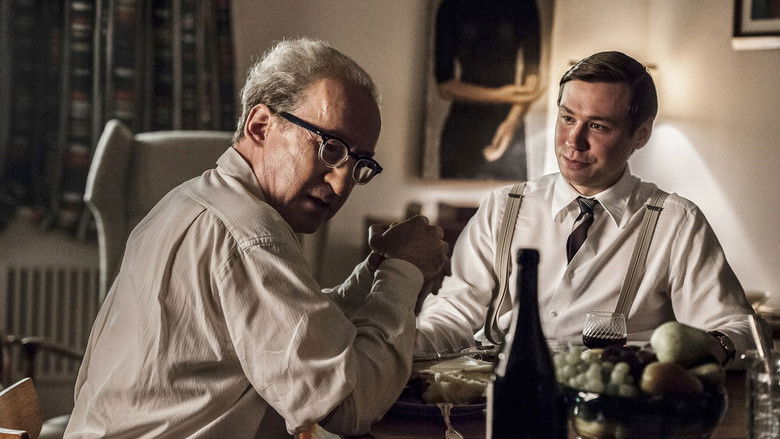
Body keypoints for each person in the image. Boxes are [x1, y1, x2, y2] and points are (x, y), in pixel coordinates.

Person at [65, 38, 449, 438]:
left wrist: (373, 274)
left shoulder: (190, 200)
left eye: (359, 163)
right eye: (331, 148)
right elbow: (347, 406)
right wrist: (403, 272)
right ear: (261, 125)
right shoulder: (251, 235)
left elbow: (289, 331)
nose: (340, 183)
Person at [416, 51, 771, 366]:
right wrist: (406, 348)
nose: (574, 140)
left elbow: (742, 331)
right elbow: (453, 312)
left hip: (616, 407)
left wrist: (707, 349)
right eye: (568, 118)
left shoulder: (676, 223)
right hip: (503, 396)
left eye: (598, 126)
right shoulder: (502, 208)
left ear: (641, 134)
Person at [434, 0, 545, 180]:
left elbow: (532, 76)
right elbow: (445, 86)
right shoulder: (451, 6)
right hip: (464, 128)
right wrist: (501, 96)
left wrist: (511, 123)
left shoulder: (524, 5)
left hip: (509, 121)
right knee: (455, 194)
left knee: (511, 196)